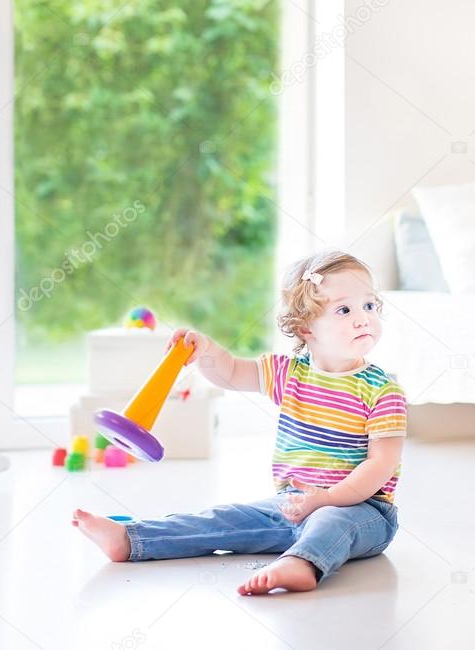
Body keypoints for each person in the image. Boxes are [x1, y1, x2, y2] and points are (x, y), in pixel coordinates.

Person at [73, 251, 406, 594]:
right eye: (344, 310)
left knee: (331, 521)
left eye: (369, 306)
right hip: (293, 503)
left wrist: (326, 498)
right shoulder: (290, 373)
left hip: (362, 510)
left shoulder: (382, 390)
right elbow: (231, 372)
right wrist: (205, 351)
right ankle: (131, 539)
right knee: (223, 519)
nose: (363, 319)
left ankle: (302, 562)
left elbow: (381, 464)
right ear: (307, 328)